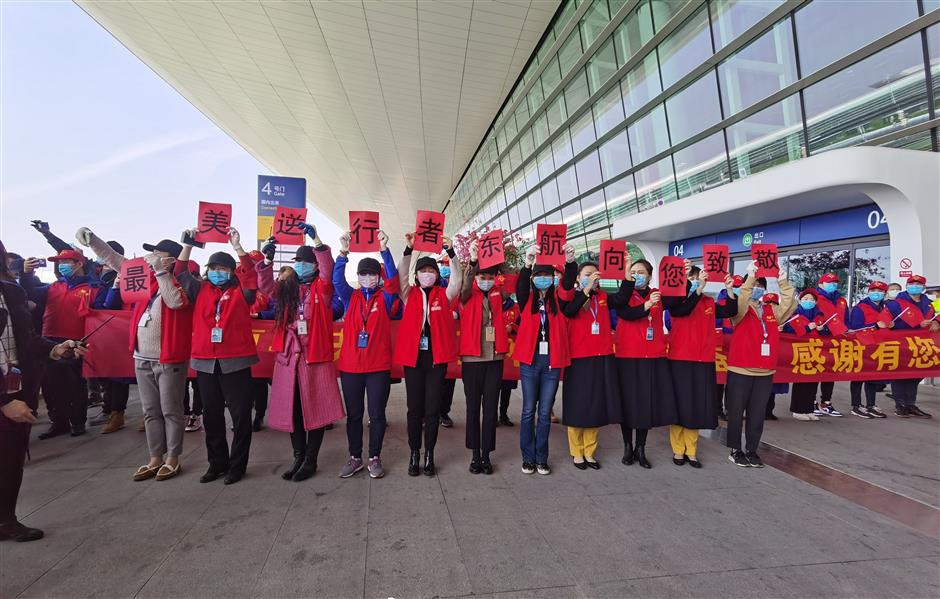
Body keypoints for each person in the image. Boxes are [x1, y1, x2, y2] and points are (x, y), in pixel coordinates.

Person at [78, 229, 195, 481]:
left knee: (171, 410)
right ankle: (155, 457)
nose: (150, 257)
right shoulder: (144, 279)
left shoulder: (180, 281)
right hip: (142, 357)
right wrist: (93, 241)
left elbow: (175, 302)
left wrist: (162, 272)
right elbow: (116, 260)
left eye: (157, 253)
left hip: (169, 358)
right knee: (150, 410)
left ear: (170, 260)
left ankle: (173, 458)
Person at [1, 240, 89, 542]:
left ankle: (5, 521)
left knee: (10, 461)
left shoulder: (11, 292)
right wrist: (3, 401)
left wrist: (57, 350)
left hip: (17, 385)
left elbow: (26, 339)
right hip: (5, 398)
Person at [256, 225, 345, 482]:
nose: (303, 265)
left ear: (315, 265)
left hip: (314, 356)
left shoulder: (323, 289)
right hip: (288, 357)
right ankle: (298, 456)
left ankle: (311, 460)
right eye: (299, 261)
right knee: (293, 409)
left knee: (315, 410)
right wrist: (267, 260)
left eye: (308, 262)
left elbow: (328, 270)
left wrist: (316, 240)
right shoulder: (287, 288)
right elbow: (265, 287)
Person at [177, 227, 259, 485]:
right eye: (213, 268)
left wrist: (238, 247)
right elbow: (179, 273)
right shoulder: (199, 289)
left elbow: (251, 277)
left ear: (231, 271)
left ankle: (238, 466)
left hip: (236, 361)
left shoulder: (241, 292)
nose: (217, 272)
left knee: (240, 416)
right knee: (211, 416)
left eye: (223, 269)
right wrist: (188, 244)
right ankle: (216, 464)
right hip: (205, 362)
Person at [334, 229, 400, 479]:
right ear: (358, 276)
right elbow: (337, 281)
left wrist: (384, 250)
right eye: (363, 273)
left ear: (378, 276)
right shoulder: (350, 298)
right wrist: (343, 253)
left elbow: (394, 280)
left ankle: (374, 457)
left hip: (377, 368)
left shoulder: (385, 298)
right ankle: (354, 457)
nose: (368, 277)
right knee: (354, 416)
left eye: (372, 273)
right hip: (350, 368)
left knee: (377, 415)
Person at [394, 233, 461, 476]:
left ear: (436, 275)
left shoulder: (445, 295)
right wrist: (408, 250)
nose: (427, 274)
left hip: (436, 359)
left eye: (431, 271)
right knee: (414, 408)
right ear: (417, 275)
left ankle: (429, 453)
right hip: (413, 359)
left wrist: (451, 253)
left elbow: (457, 279)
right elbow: (401, 274)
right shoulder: (408, 293)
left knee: (432, 409)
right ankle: (414, 453)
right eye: (422, 271)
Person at [19, 248, 100, 438]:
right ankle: (59, 422)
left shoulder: (93, 288)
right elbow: (27, 294)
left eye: (66, 262)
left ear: (79, 264)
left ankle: (78, 422)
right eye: (59, 263)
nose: (61, 266)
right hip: (49, 340)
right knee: (52, 386)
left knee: (75, 384)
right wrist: (26, 274)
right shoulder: (53, 287)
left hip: (77, 341)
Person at [559, 258, 631, 471]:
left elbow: (623, 298)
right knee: (577, 405)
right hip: (578, 358)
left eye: (595, 274)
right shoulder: (571, 297)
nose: (592, 277)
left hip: (602, 357)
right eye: (587, 275)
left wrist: (626, 272)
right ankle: (576, 451)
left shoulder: (603, 298)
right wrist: (586, 290)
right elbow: (570, 311)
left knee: (596, 406)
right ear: (578, 278)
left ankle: (590, 452)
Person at [663, 264, 737, 468]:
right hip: (679, 359)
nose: (697, 280)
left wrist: (730, 290)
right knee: (679, 405)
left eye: (698, 277)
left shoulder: (708, 302)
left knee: (695, 406)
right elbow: (682, 310)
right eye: (692, 277)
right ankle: (678, 449)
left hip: (703, 360)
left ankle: (691, 450)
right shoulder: (676, 301)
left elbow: (730, 310)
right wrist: (693, 288)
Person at [513, 244, 575, 476]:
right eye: (538, 275)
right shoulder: (526, 300)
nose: (543, 279)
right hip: (530, 362)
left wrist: (570, 262)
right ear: (533, 278)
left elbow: (568, 285)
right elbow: (520, 286)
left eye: (547, 275)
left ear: (552, 278)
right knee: (529, 410)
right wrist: (527, 263)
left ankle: (542, 458)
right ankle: (528, 457)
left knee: (546, 411)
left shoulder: (559, 300)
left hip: (551, 362)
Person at [725, 262, 795, 467]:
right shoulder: (740, 312)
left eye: (761, 286)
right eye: (756, 285)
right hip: (740, 368)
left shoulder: (771, 311)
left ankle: (752, 449)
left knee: (757, 413)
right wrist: (750, 277)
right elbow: (743, 299)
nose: (758, 289)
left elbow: (789, 304)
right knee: (736, 411)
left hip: (765, 370)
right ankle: (735, 449)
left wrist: (782, 281)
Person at [613, 259, 676, 470]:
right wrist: (646, 306)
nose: (637, 275)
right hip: (627, 356)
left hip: (652, 356)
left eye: (641, 272)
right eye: (633, 272)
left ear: (650, 276)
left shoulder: (658, 294)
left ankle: (641, 448)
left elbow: (679, 302)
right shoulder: (624, 293)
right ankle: (627, 445)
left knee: (645, 403)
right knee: (628, 402)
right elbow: (625, 314)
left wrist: (682, 276)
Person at [457, 241, 509, 474]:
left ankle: (486, 455)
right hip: (472, 360)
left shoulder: (499, 294)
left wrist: (502, 259)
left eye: (489, 276)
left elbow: (513, 282)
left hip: (495, 359)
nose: (485, 280)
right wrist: (474, 261)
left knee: (490, 408)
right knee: (472, 408)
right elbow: (466, 284)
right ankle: (474, 454)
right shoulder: (468, 295)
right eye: (482, 276)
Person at [885, 274, 938, 418]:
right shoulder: (896, 303)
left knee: (917, 372)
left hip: (921, 344)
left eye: (918, 284)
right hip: (901, 342)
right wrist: (916, 323)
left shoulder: (929, 302)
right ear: (907, 286)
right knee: (901, 373)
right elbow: (888, 321)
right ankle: (900, 404)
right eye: (912, 283)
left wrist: (936, 322)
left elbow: (937, 315)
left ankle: (910, 403)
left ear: (923, 287)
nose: (915, 286)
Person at [785, 289, 831, 422]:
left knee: (813, 381)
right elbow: (789, 331)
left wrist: (823, 330)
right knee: (801, 381)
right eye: (805, 299)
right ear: (800, 300)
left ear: (816, 302)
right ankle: (798, 410)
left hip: (816, 351)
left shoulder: (819, 315)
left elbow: (827, 332)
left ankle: (809, 409)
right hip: (801, 352)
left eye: (811, 299)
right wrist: (807, 328)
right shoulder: (794, 314)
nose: (808, 301)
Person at [847, 281, 890, 418]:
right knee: (858, 377)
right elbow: (855, 328)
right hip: (862, 345)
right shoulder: (861, 308)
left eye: (880, 291)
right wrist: (875, 325)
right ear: (869, 292)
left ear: (884, 293)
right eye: (873, 290)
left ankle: (871, 405)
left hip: (878, 346)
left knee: (872, 376)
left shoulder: (885, 307)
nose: (876, 293)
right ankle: (856, 405)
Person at [813, 273, 849, 417]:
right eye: (829, 282)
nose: (833, 285)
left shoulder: (841, 300)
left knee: (830, 372)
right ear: (821, 284)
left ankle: (826, 403)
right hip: (819, 340)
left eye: (835, 282)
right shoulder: (815, 298)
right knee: (815, 371)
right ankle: (811, 401)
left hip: (835, 341)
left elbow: (847, 319)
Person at [714, 275, 743, 422]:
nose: (737, 289)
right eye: (735, 286)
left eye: (739, 286)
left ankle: (732, 409)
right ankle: (717, 409)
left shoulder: (745, 303)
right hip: (722, 347)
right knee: (720, 381)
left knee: (734, 381)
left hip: (738, 346)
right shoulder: (721, 303)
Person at [497, 286, 520, 427]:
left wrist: (513, 327)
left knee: (507, 387)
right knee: (491, 387)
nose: (503, 291)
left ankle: (503, 414)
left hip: (510, 354)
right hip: (494, 352)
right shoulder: (490, 303)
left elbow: (521, 325)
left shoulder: (516, 307)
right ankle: (491, 415)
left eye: (505, 289)